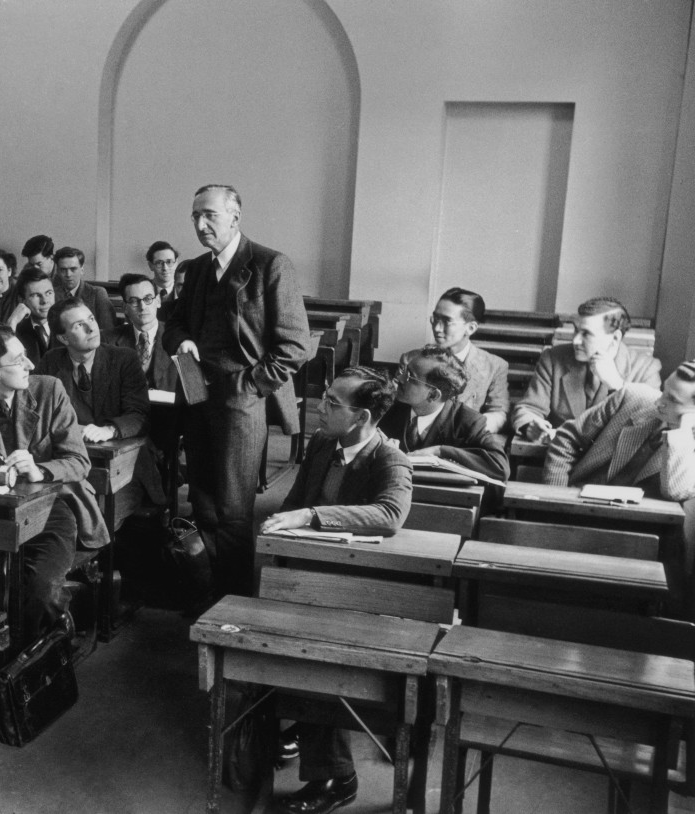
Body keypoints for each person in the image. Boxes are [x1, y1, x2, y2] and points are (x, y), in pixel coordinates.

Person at [260, 367, 412, 814]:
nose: (319, 409)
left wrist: (310, 517)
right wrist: (283, 527)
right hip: (311, 579)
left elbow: (389, 515)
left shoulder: (389, 459)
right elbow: (293, 503)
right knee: (270, 635)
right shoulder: (324, 444)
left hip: (362, 592)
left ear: (362, 416)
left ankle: (338, 778)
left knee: (316, 655)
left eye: (331, 404)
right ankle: (298, 730)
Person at [164, 184, 311, 597]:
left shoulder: (269, 264)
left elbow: (295, 346)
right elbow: (173, 324)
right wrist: (181, 342)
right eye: (195, 216)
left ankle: (235, 601)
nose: (201, 224)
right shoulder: (194, 269)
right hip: (196, 394)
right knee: (202, 503)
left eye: (209, 214)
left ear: (235, 216)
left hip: (242, 402)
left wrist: (248, 388)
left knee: (231, 510)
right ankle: (206, 593)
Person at [0, 325, 109, 635]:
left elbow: (79, 461)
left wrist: (39, 470)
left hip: (49, 508)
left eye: (26, 356)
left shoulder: (49, 390)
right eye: (18, 360)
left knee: (44, 592)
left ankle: (30, 663)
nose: (29, 365)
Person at [38, 298, 163, 515]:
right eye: (78, 325)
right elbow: (37, 415)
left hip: (123, 467)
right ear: (63, 337)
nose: (91, 327)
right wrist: (69, 429)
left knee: (96, 516)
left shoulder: (123, 358)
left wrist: (109, 430)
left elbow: (140, 414)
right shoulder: (51, 361)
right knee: (55, 515)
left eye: (91, 319)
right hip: (69, 465)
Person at [513, 297, 662, 443]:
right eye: (575, 330)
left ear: (615, 338)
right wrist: (530, 425)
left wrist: (616, 385)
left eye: (586, 334)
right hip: (555, 451)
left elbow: (647, 424)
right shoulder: (553, 358)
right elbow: (529, 407)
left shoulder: (646, 369)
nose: (575, 340)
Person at [543, 362, 695, 502]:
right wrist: (557, 495)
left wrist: (683, 434)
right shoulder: (632, 397)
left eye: (673, 400)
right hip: (575, 502)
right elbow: (567, 438)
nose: (658, 402)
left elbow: (675, 493)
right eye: (664, 390)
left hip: (640, 525)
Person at [378, 345, 509, 482]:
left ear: (433, 395)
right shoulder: (387, 407)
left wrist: (441, 451)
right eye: (404, 371)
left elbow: (500, 468)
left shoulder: (467, 421)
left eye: (410, 376)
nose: (399, 378)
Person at [406, 287, 509, 434]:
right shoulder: (413, 360)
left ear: (471, 328)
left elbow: (498, 412)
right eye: (435, 318)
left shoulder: (495, 366)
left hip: (464, 442)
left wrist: (473, 428)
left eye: (447, 321)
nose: (437, 328)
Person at [102, 273, 177, 392]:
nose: (142, 307)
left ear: (158, 301)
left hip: (169, 409)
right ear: (125, 308)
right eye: (133, 301)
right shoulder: (107, 340)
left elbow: (195, 392)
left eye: (148, 299)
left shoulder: (178, 337)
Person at [52, 246, 116, 331]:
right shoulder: (52, 295)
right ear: (58, 272)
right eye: (63, 270)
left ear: (82, 270)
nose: (68, 274)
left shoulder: (97, 294)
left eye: (73, 269)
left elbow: (108, 331)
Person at [14, 267, 57, 366]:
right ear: (22, 300)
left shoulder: (67, 324)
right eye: (36, 295)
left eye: (49, 293)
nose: (45, 301)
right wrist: (12, 322)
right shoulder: (17, 330)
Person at [145, 240, 180, 320]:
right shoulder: (143, 291)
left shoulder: (185, 291)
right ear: (151, 266)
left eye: (169, 262)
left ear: (176, 263)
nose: (165, 268)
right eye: (159, 263)